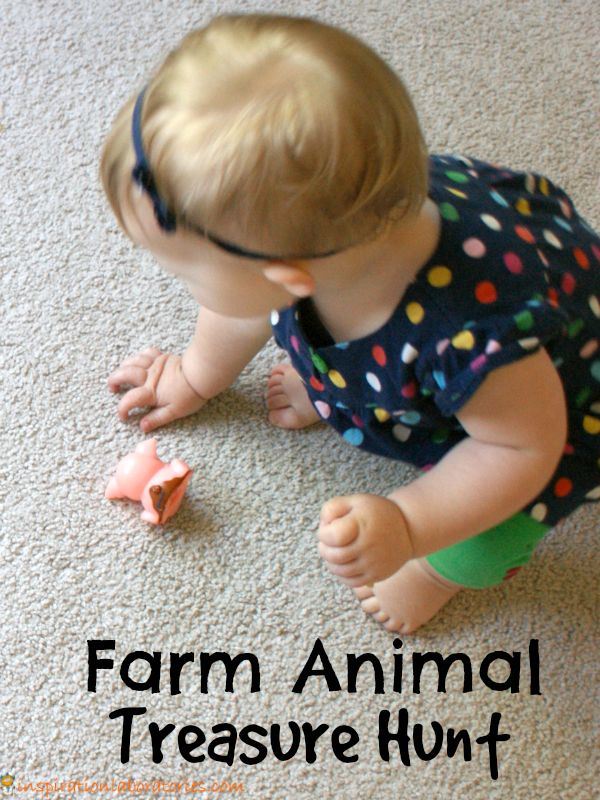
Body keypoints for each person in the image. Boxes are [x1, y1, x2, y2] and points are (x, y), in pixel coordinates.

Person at [101, 13, 600, 633]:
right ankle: (345, 384)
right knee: (330, 342)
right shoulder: (345, 220)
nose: (184, 285)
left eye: (186, 274)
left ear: (288, 279)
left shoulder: (472, 337)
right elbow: (243, 305)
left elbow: (522, 448)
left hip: (544, 413)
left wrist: (412, 526)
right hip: (402, 342)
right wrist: (196, 375)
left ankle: (435, 576)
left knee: (484, 538)